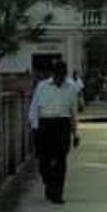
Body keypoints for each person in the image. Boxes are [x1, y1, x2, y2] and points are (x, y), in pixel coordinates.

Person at [29, 60, 80, 204]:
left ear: (65, 75)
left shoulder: (71, 88)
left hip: (62, 124)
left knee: (61, 160)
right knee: (44, 161)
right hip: (45, 124)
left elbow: (73, 112)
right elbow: (34, 108)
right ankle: (48, 182)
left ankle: (57, 194)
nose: (60, 79)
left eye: (62, 76)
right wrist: (35, 127)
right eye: (58, 76)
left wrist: (75, 134)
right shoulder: (42, 86)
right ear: (53, 74)